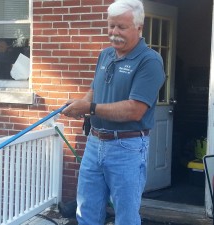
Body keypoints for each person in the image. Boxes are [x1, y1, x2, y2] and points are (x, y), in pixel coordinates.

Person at [61, 0, 166, 224]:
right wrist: (82, 103)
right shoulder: (106, 55)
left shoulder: (150, 61)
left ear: (139, 27)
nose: (114, 32)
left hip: (127, 147)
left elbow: (135, 110)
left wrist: (89, 108)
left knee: (126, 216)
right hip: (95, 142)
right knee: (86, 209)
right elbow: (94, 89)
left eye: (121, 27)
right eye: (111, 26)